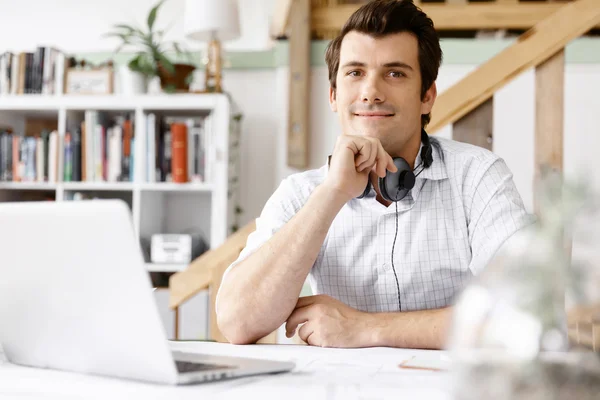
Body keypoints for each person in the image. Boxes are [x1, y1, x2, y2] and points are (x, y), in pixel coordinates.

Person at [215, 0, 534, 349]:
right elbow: (237, 322)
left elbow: (528, 312)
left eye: (395, 73)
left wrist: (364, 329)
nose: (371, 92)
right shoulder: (300, 193)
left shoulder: (478, 177)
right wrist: (331, 193)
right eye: (355, 73)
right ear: (334, 95)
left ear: (427, 96)